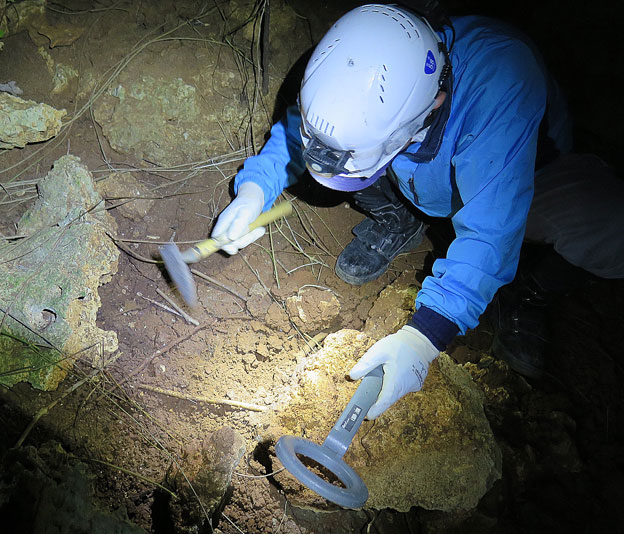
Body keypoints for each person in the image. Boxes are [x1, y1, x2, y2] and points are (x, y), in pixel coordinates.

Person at [210, 3, 624, 419]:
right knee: (348, 171)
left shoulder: (503, 86)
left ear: (434, 104)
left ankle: (528, 294)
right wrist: (253, 193)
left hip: (519, 179)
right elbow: (305, 135)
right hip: (421, 172)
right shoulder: (366, 61)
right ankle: (402, 218)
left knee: (613, 227)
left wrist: (425, 336)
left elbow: (490, 234)